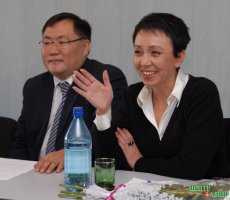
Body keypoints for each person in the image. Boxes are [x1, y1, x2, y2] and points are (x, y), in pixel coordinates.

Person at [72, 12, 230, 180]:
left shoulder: (202, 92)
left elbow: (191, 169)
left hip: (206, 192)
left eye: (155, 53)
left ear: (179, 57)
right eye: (138, 52)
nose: (144, 62)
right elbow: (112, 163)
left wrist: (138, 161)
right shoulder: (132, 95)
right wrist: (103, 112)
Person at [9, 12, 128, 174]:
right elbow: (20, 143)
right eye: (47, 42)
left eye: (62, 42)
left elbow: (112, 144)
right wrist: (21, 175)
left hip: (79, 177)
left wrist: (72, 155)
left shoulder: (104, 79)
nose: (52, 50)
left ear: (85, 47)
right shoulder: (34, 86)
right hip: (34, 175)